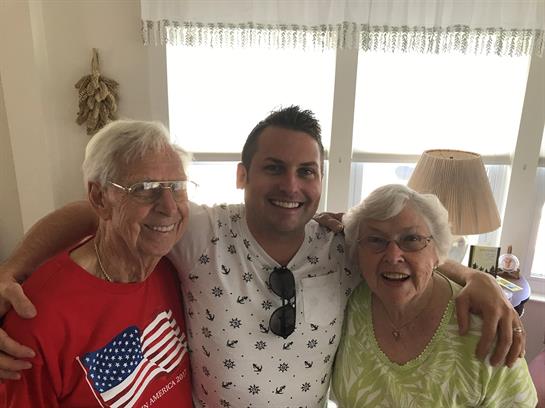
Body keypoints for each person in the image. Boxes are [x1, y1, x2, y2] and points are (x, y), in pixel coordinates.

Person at [0, 107, 524, 407]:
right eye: (274, 168)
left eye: (306, 172)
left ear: (320, 180)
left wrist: (472, 278)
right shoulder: (197, 230)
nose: (291, 186)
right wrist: (12, 270)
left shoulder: (342, 245)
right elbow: (93, 212)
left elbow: (401, 249)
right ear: (243, 175)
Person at [2, 121, 193, 406]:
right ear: (99, 197)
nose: (169, 206)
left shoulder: (176, 263)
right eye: (145, 188)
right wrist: (10, 269)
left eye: (177, 187)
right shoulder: (37, 317)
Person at [331, 184, 537, 407]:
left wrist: (479, 277)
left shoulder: (486, 326)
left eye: (412, 239)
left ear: (437, 251)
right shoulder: (345, 298)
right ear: (356, 252)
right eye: (376, 240)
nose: (393, 256)